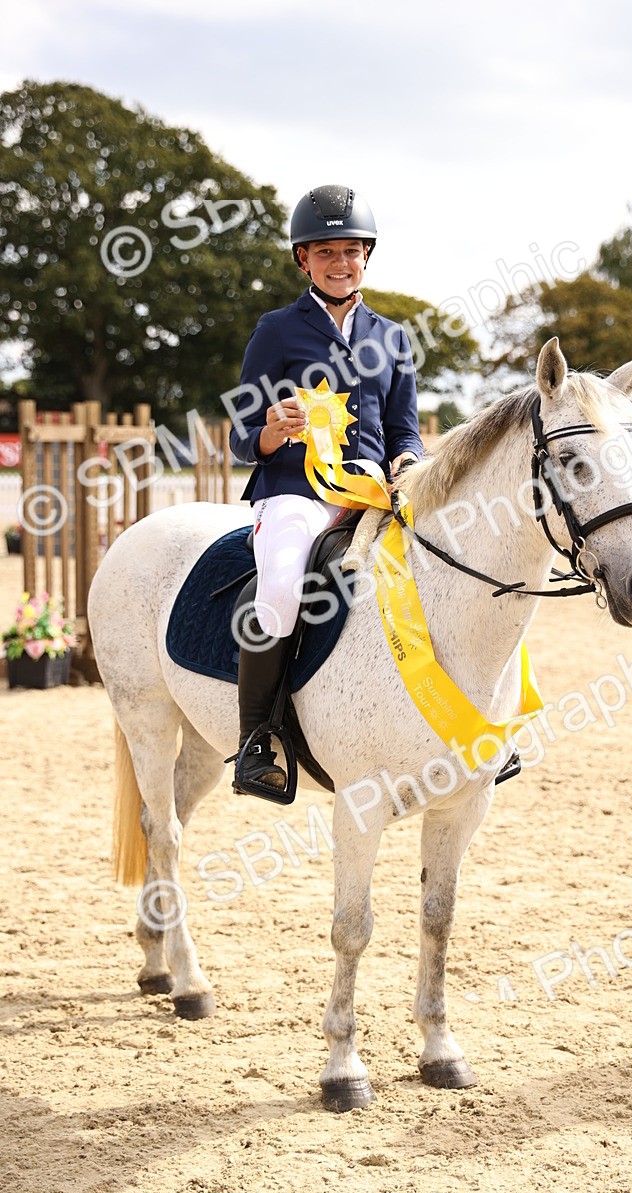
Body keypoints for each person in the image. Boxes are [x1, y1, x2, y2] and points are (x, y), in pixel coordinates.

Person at [229, 184, 424, 798]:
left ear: (366, 256)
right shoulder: (277, 330)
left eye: (350, 252)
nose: (340, 263)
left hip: (372, 493)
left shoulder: (393, 337)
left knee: (453, 569)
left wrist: (407, 461)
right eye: (325, 253)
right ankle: (257, 740)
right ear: (303, 260)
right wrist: (270, 431)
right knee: (282, 588)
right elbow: (239, 436)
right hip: (294, 491)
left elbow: (405, 430)